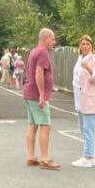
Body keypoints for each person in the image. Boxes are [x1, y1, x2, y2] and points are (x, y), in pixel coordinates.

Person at [23, 30, 58, 169]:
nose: (54, 42)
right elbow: (39, 72)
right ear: (46, 38)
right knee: (45, 125)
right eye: (53, 39)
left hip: (29, 92)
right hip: (36, 95)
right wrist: (42, 95)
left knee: (32, 125)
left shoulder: (34, 51)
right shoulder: (43, 52)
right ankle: (45, 158)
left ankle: (31, 156)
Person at [71, 34, 95, 169]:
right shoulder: (80, 58)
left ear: (91, 46)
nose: (85, 46)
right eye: (83, 44)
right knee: (82, 129)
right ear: (80, 46)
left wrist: (89, 70)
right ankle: (89, 155)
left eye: (87, 44)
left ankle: (88, 157)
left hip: (91, 100)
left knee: (88, 129)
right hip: (80, 99)